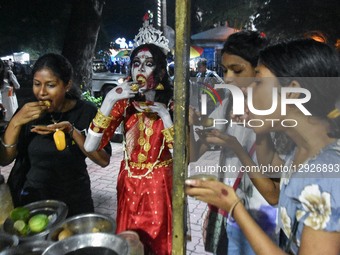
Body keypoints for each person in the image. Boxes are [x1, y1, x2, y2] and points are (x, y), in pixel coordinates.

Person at [186, 39, 340, 254]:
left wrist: (233, 206)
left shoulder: (326, 172)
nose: (247, 91)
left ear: (292, 92)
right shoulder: (303, 151)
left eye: (257, 81)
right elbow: (269, 167)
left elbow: (271, 193)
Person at [84, 17, 174, 255]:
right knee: (128, 243)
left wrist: (165, 116)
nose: (140, 69)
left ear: (162, 71)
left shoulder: (174, 105)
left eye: (148, 63)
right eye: (136, 63)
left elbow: (186, 157)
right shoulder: (124, 105)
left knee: (158, 244)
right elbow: (90, 144)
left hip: (160, 184)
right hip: (129, 181)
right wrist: (110, 99)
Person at [190, 31, 279, 255]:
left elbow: (273, 194)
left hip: (262, 219)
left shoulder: (279, 114)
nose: (228, 78)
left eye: (237, 70)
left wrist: (236, 147)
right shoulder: (230, 103)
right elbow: (194, 154)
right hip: (229, 212)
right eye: (225, 70)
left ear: (260, 72)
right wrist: (189, 125)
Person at [0, 53, 111, 216]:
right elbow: (5, 159)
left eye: (50, 85)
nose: (42, 92)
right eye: (37, 84)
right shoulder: (27, 110)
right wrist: (16, 122)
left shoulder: (86, 112)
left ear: (67, 85)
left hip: (75, 201)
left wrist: (71, 131)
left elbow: (103, 160)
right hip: (33, 201)